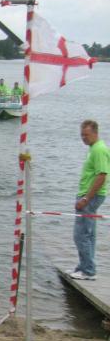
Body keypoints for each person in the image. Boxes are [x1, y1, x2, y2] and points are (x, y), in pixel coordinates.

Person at [70, 120, 109, 280]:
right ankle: (84, 267)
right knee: (89, 234)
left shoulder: (99, 150)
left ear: (95, 133)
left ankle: (88, 271)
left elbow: (102, 175)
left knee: (81, 235)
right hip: (90, 195)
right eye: (82, 135)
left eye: (86, 135)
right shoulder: (93, 148)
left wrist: (86, 198)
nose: (84, 138)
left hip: (90, 196)